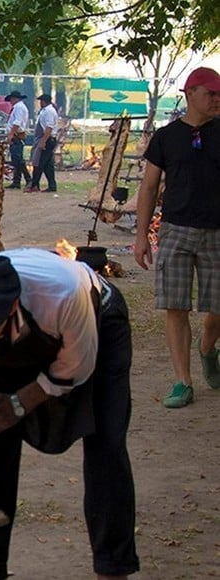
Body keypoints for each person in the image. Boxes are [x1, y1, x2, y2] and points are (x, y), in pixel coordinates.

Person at [0, 244, 139, 580]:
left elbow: (74, 369)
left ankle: (113, 567)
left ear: (9, 306)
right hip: (16, 339)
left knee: (106, 445)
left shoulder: (62, 293)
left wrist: (19, 403)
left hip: (95, 324)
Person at [133, 66, 220, 408]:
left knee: (216, 311)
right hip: (175, 231)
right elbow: (150, 187)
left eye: (219, 94)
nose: (216, 99)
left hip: (217, 232)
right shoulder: (166, 137)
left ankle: (207, 347)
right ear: (190, 94)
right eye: (210, 94)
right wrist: (141, 235)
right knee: (176, 306)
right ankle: (183, 381)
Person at [25, 94, 58, 193]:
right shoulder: (46, 111)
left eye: (41, 101)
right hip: (46, 139)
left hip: (47, 139)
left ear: (44, 101)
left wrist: (43, 141)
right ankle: (52, 185)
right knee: (48, 165)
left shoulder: (49, 111)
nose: (40, 103)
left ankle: (34, 185)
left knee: (38, 162)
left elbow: (49, 127)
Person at [3, 90, 31, 189]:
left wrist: (11, 134)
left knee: (18, 159)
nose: (10, 102)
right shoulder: (19, 107)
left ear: (14, 99)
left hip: (17, 135)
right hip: (17, 134)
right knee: (16, 160)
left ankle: (28, 179)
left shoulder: (19, 108)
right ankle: (17, 181)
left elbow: (17, 122)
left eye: (11, 99)